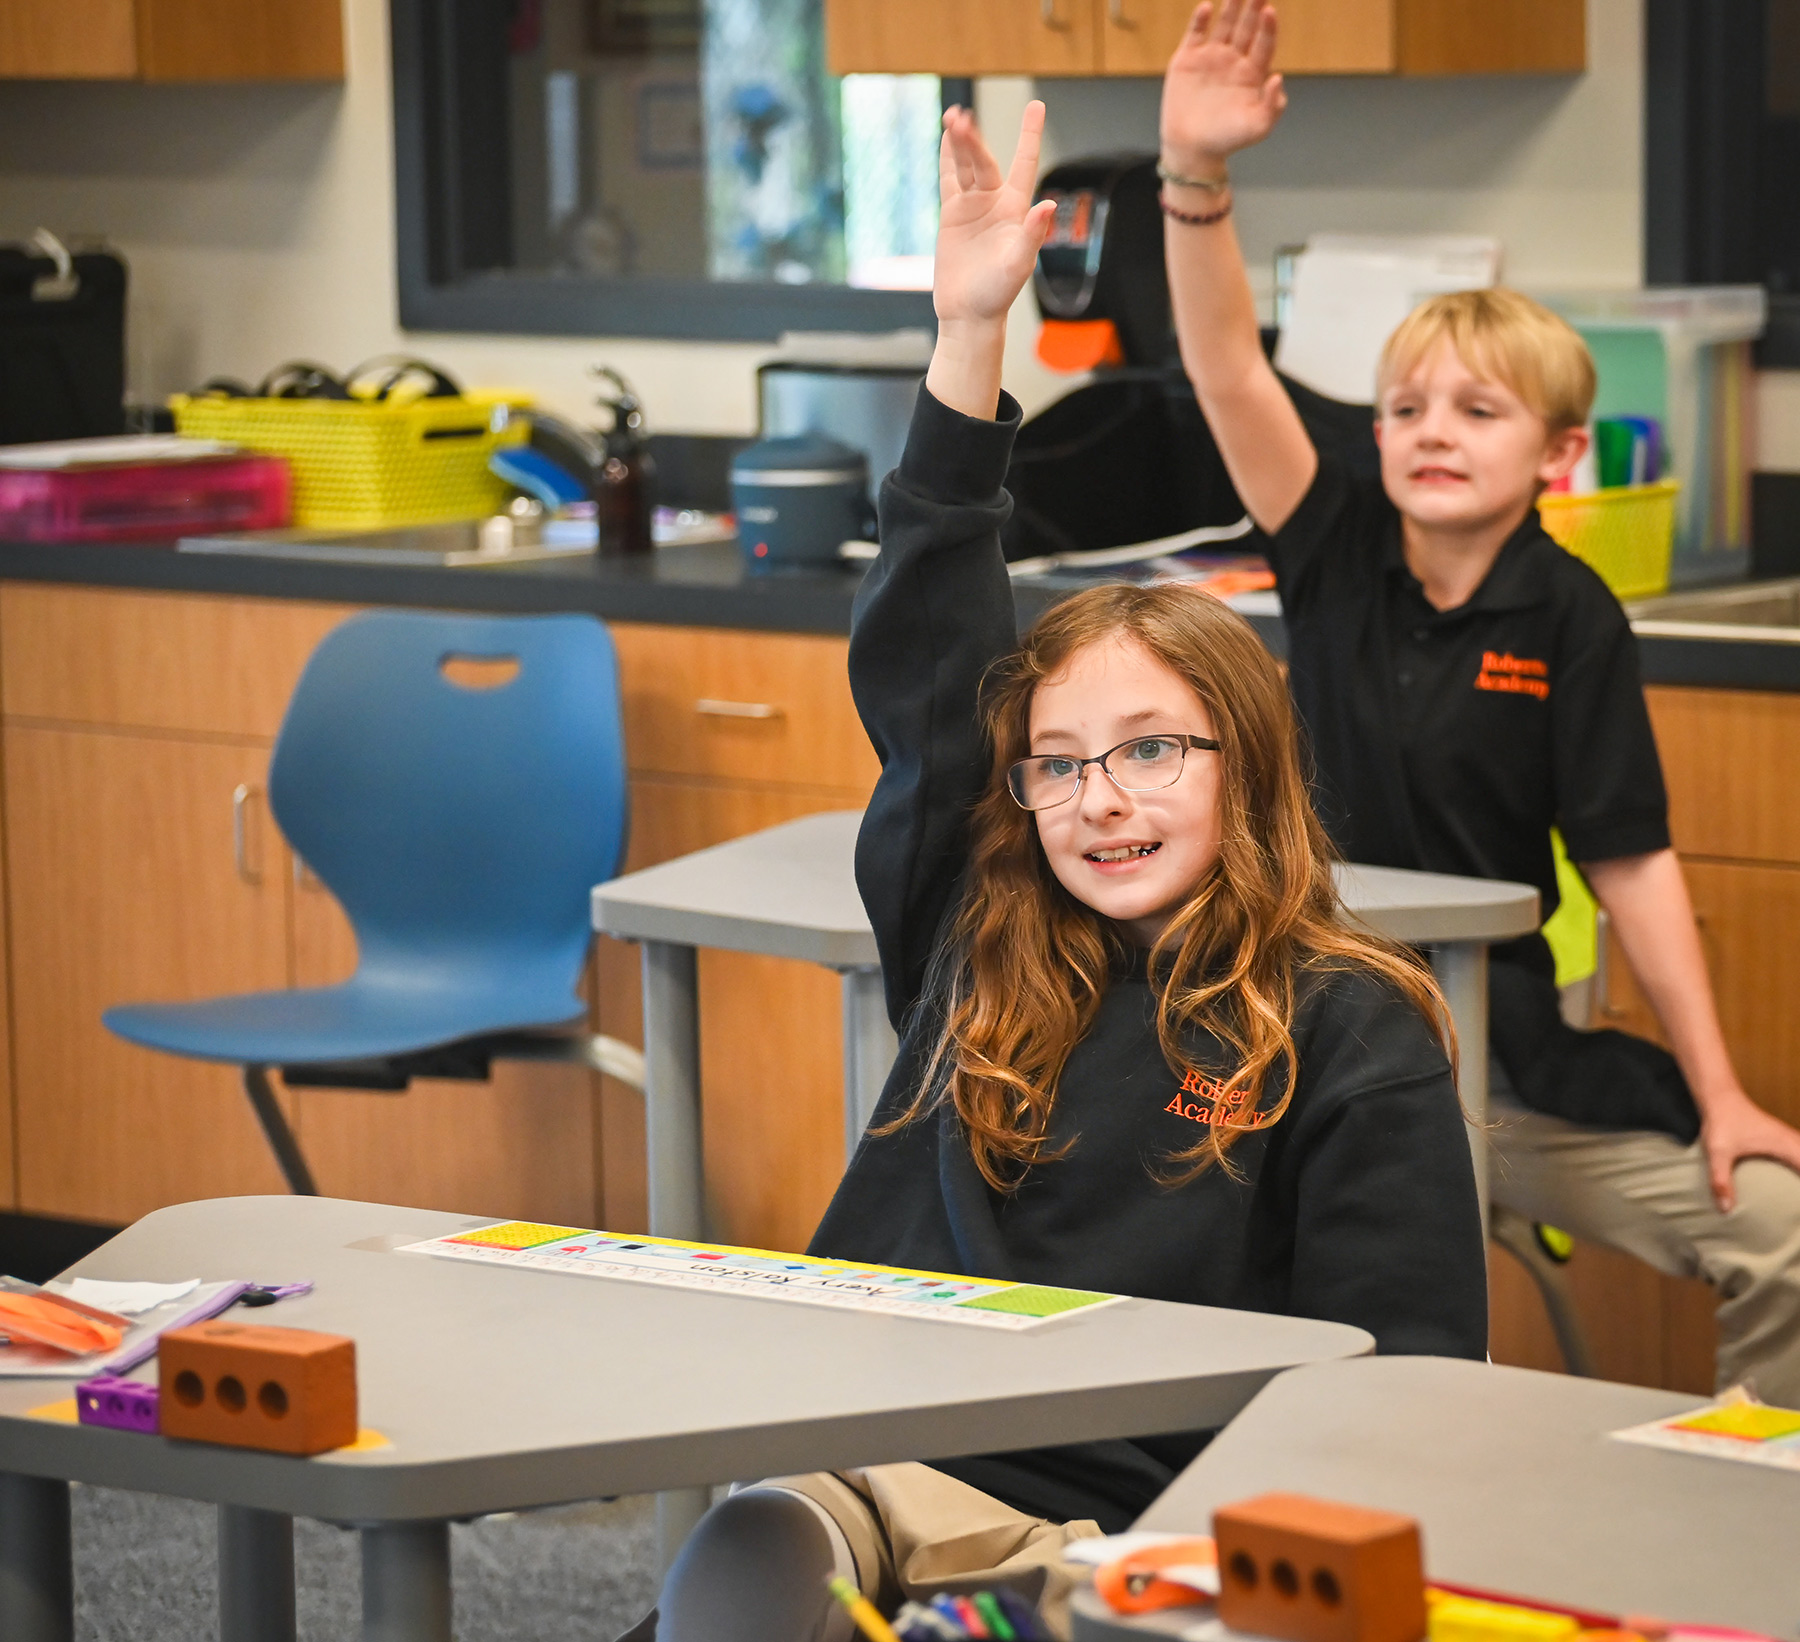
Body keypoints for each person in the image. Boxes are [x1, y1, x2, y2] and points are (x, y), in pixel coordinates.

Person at [623, 96, 1485, 1642]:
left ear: (1249, 763)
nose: (1103, 798)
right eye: (1063, 762)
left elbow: (1407, 1395)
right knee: (762, 1565)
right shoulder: (982, 930)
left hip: (1138, 1537)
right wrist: (971, 331)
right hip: (885, 1470)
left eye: (1155, 749)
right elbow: (931, 645)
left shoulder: (1353, 1026)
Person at [1158, 0, 1800, 1404]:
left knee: (1786, 1230)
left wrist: (1723, 1092)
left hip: (1500, 1071)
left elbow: (1630, 859)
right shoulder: (1329, 543)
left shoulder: (1573, 614)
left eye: (1478, 409)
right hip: (1297, 1052)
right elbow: (1222, 363)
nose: (1431, 431)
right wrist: (1194, 177)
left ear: (1562, 451)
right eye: (1405, 407)